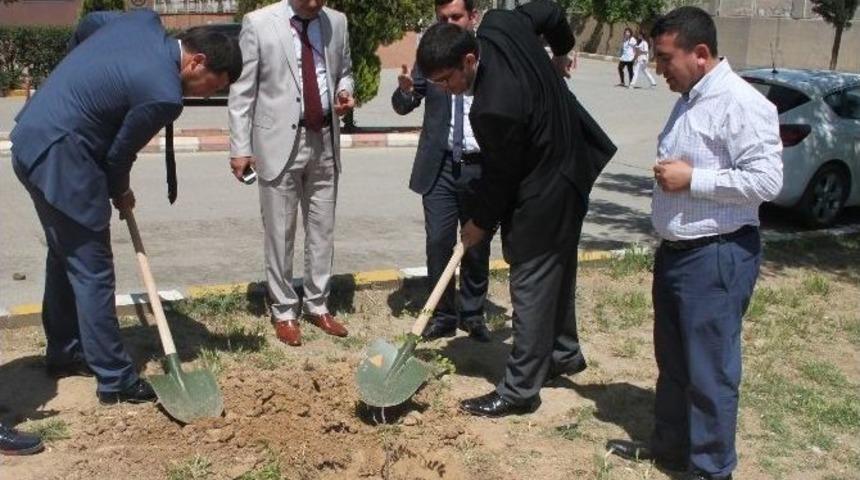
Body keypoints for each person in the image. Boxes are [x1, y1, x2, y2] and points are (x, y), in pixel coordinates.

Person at [10, 10, 242, 405]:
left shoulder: (142, 23)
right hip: (64, 160)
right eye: (209, 88)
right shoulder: (165, 94)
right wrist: (120, 191)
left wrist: (73, 72)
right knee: (93, 270)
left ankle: (65, 351)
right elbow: (119, 154)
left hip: (32, 136)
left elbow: (88, 25)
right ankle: (115, 379)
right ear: (196, 61)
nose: (203, 95)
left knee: (66, 256)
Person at [415, 0, 616, 418]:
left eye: (448, 80)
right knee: (558, 267)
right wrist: (561, 51)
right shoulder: (502, 24)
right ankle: (562, 354)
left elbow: (500, 179)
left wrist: (477, 225)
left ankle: (521, 389)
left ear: (469, 58)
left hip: (547, 186)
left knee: (530, 278)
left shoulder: (493, 108)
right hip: (575, 161)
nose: (446, 90)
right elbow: (550, 12)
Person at [607, 7, 782, 480]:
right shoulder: (689, 97)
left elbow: (767, 181)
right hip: (678, 254)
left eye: (665, 59)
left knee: (711, 372)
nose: (658, 68)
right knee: (675, 362)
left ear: (700, 54)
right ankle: (670, 446)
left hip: (717, 255)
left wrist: (693, 179)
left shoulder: (740, 103)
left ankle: (710, 469)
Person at [229, 0, 355, 347]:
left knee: (322, 228)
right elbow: (242, 90)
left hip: (325, 138)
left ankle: (317, 303)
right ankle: (284, 309)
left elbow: (344, 69)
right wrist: (240, 146)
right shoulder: (258, 23)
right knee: (280, 230)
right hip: (277, 140)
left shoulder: (336, 22)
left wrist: (346, 92)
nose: (316, 4)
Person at [391, 0, 492, 343]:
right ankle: (444, 314)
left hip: (480, 165)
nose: (449, 22)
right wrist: (404, 92)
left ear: (472, 17)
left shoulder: (487, 55)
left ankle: (474, 312)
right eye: (442, 18)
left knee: (477, 242)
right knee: (438, 241)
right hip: (440, 165)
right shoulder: (430, 53)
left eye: (456, 17)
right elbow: (405, 104)